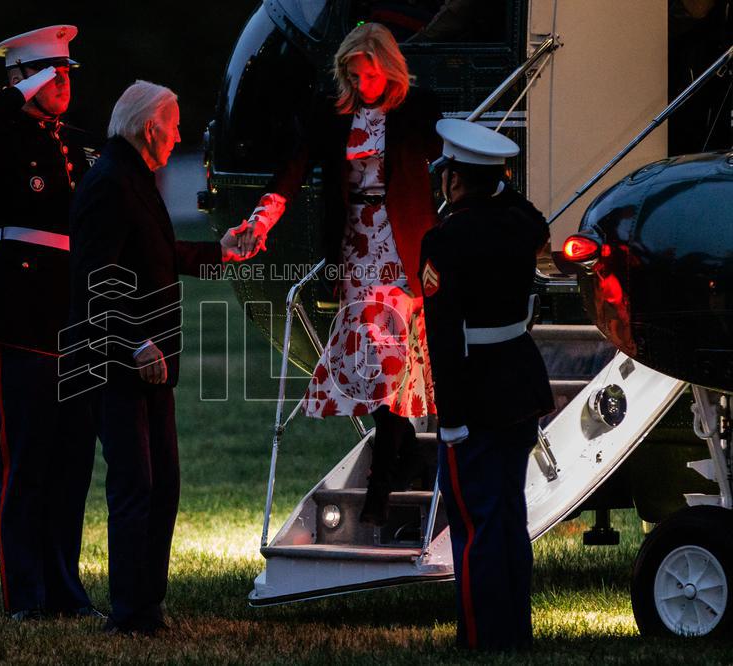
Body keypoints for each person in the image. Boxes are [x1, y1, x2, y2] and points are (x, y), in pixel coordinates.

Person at [236, 22, 441, 524]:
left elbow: (448, 161)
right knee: (372, 360)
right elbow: (293, 170)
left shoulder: (416, 109)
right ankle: (404, 451)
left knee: (389, 356)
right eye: (352, 74)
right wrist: (261, 220)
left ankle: (382, 481)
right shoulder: (331, 115)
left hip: (401, 247)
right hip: (355, 247)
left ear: (387, 68)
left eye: (368, 74)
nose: (361, 83)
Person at [66, 80, 244, 635]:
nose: (180, 134)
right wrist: (133, 342)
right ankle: (132, 612)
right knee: (137, 486)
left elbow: (160, 256)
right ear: (150, 129)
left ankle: (147, 604)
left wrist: (225, 254)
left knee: (162, 483)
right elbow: (92, 282)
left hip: (150, 365)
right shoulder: (111, 183)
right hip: (119, 365)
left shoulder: (132, 178)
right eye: (174, 123)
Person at [0, 25, 101, 621]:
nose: (63, 84)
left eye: (66, 74)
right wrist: (12, 94)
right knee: (27, 454)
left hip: (79, 308)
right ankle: (25, 595)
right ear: (21, 79)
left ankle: (65, 590)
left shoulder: (85, 145)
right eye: (49, 74)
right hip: (20, 306)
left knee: (74, 458)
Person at [420, 118, 554, 650]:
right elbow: (528, 213)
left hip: (474, 392)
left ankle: (479, 638)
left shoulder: (445, 239)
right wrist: (498, 180)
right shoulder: (520, 223)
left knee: (476, 522)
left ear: (454, 181)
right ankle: (514, 631)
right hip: (519, 383)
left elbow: (444, 338)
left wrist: (449, 419)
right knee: (509, 514)